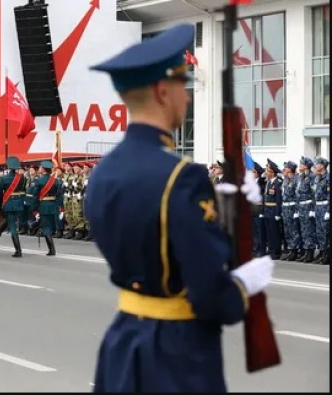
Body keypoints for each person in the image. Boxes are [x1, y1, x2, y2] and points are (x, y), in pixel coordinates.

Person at [85, 23, 275, 392]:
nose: (186, 99)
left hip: (123, 344)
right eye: (181, 87)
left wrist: (223, 203)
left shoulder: (104, 172)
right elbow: (211, 298)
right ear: (161, 91)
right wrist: (242, 285)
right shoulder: (181, 177)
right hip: (176, 357)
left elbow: (154, 222)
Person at [30, 160, 64, 256]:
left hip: (44, 206)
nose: (39, 168)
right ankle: (51, 249)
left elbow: (35, 197)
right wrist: (61, 209)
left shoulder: (38, 181)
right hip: (53, 206)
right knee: (51, 227)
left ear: (43, 169)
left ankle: (52, 250)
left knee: (46, 228)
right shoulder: (56, 181)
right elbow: (59, 196)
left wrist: (35, 210)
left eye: (40, 167)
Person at [0, 156, 26, 258]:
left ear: (8, 167)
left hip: (8, 202)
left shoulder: (4, 178)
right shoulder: (22, 177)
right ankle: (0, 229)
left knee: (12, 225)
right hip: (18, 202)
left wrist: (0, 202)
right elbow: (22, 188)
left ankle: (18, 250)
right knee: (11, 219)